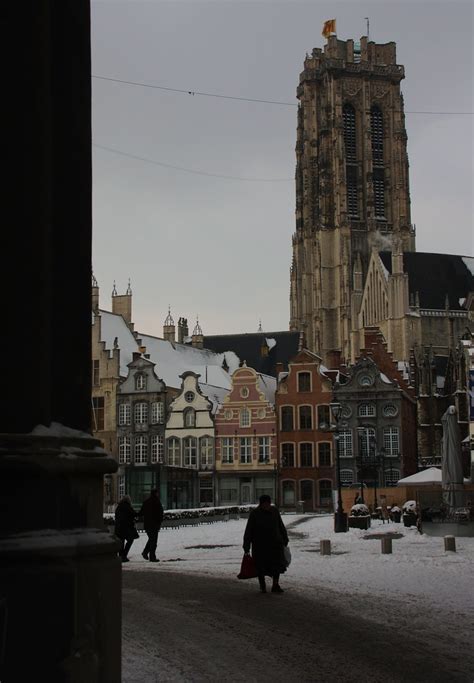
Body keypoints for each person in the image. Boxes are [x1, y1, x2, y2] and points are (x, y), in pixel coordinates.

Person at [243, 495, 288, 594]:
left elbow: (280, 525)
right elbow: (249, 530)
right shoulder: (255, 514)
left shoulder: (274, 511)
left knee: (277, 565)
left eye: (268, 503)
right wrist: (246, 546)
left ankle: (275, 585)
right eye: (265, 503)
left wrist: (285, 538)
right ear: (261, 504)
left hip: (275, 544)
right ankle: (262, 586)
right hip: (260, 546)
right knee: (260, 567)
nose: (267, 505)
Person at [138, 488, 164, 562]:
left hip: (147, 525)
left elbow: (141, 513)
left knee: (151, 540)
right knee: (153, 541)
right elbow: (160, 514)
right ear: (156, 493)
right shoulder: (157, 502)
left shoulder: (146, 502)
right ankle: (151, 556)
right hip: (154, 525)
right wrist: (159, 522)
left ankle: (146, 552)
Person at [114, 495, 139, 562]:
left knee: (121, 542)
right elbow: (133, 514)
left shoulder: (119, 507)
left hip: (119, 528)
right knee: (130, 540)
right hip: (126, 528)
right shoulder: (128, 507)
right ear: (128, 500)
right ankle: (124, 555)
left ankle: (121, 556)